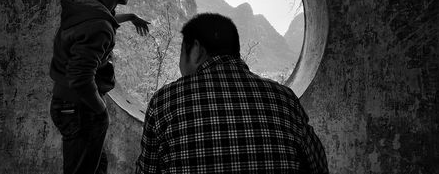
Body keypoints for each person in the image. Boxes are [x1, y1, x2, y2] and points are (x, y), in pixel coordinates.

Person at [136, 13, 328, 174]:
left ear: (195, 50)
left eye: (181, 53)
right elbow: (318, 166)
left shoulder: (164, 102)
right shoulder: (285, 99)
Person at [49, 0, 150, 174]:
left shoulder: (85, 2)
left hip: (67, 104)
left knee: (98, 166)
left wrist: (131, 17)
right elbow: (80, 77)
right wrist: (100, 109)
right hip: (79, 109)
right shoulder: (99, 26)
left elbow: (102, 19)